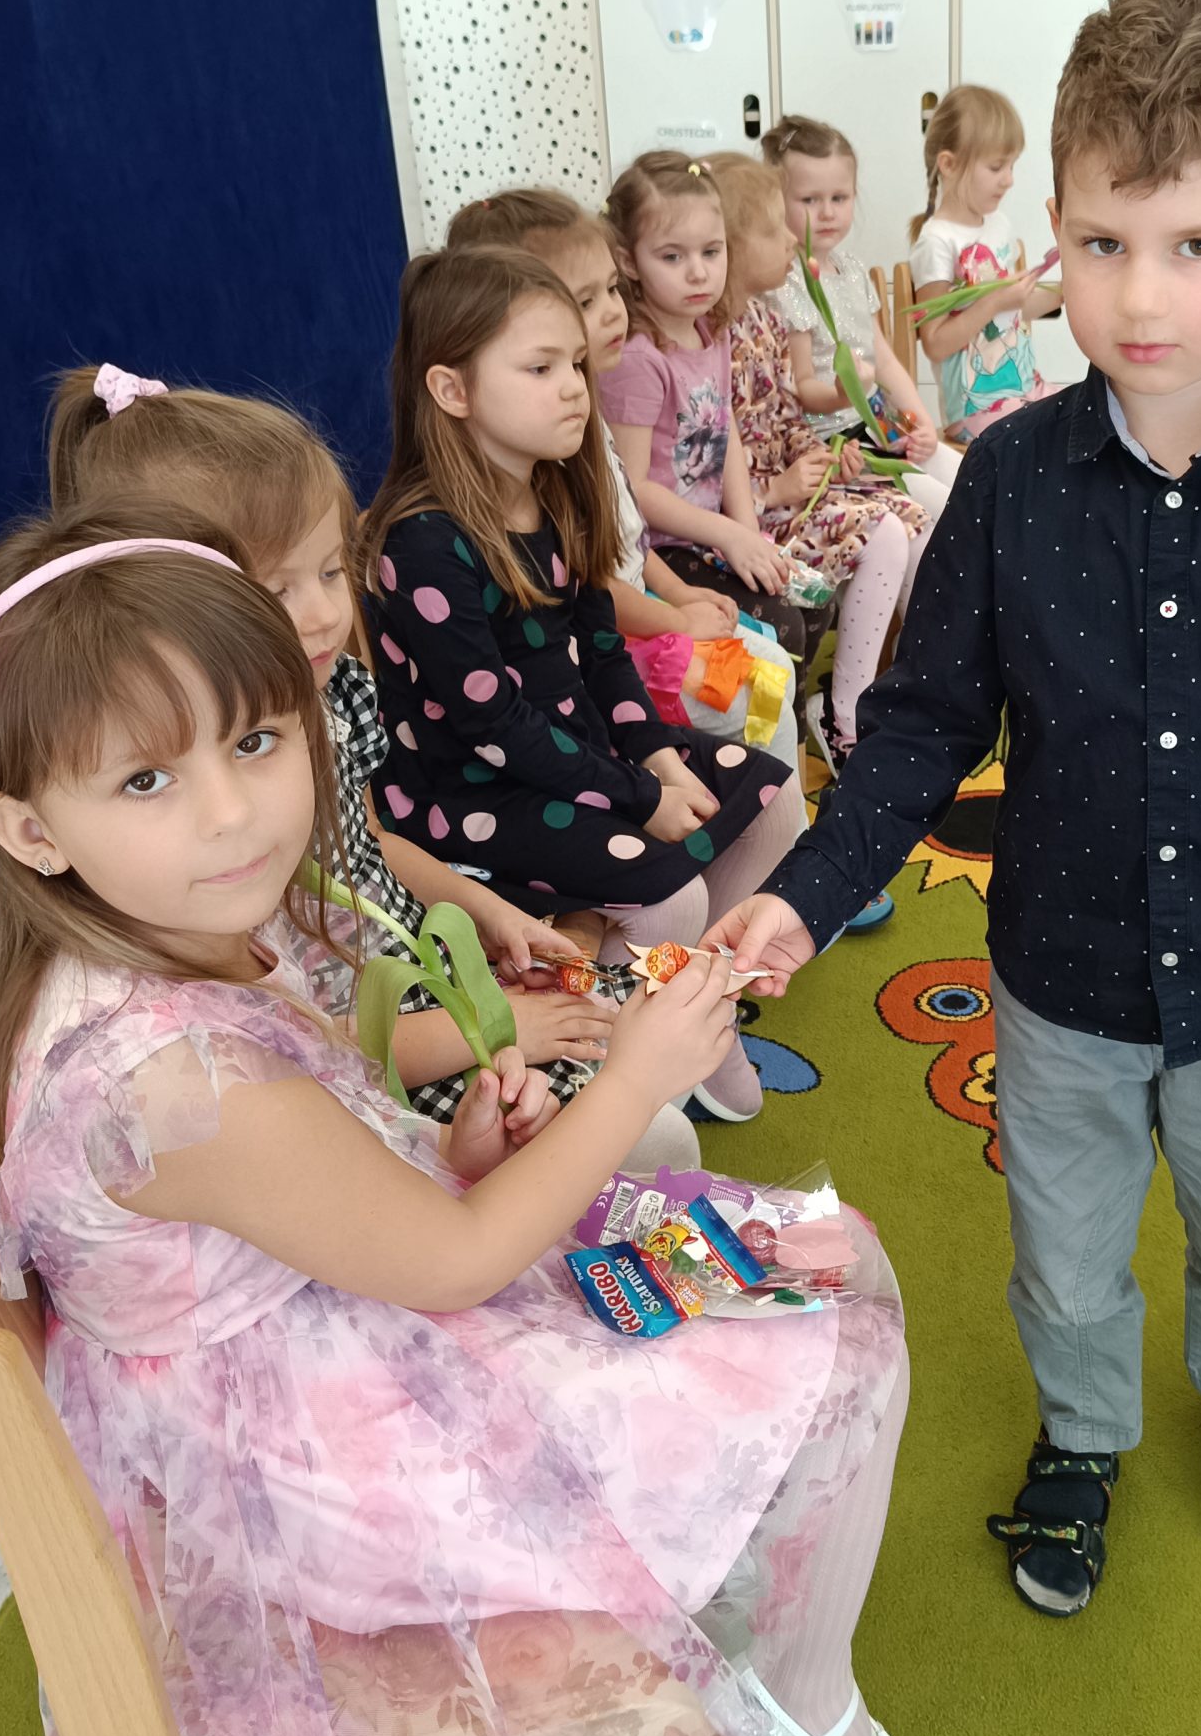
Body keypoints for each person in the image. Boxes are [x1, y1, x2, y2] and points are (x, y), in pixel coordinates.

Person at [709, 0, 1201, 1616]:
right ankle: (1081, 1433)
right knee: (1063, 1262)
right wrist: (800, 893)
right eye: (1099, 243)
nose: (1141, 296)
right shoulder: (1009, 479)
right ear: (1053, 234)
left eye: (1196, 244)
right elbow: (922, 726)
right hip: (1058, 980)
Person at [0, 501, 904, 1736]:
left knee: (820, 1269)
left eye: (256, 741)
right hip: (311, 1461)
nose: (231, 812)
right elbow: (455, 1263)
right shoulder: (172, 1080)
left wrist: (441, 1148)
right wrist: (636, 1080)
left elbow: (328, 1160)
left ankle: (790, 1685)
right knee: (840, 1331)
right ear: (30, 830)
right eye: (147, 779)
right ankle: (812, 1708)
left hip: (333, 1333)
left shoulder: (176, 935)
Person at [42, 364, 681, 1151]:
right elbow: (308, 1048)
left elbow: (370, 842)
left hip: (420, 974)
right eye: (276, 590)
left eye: (329, 570)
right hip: (369, 1068)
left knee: (641, 1047)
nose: (322, 614)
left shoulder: (334, 689)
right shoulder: (215, 844)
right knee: (646, 1126)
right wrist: (496, 1023)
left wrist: (490, 917)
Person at [366, 245, 803, 1124]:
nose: (574, 387)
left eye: (574, 364)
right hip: (472, 795)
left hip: (580, 761)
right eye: (540, 368)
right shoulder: (422, 541)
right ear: (451, 390)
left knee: (774, 803)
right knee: (670, 890)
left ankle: (699, 1004)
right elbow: (493, 724)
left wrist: (659, 761)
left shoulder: (562, 496)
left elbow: (604, 656)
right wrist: (640, 797)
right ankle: (642, 1051)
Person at [443, 187, 806, 823]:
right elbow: (596, 589)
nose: (614, 311)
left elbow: (628, 546)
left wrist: (681, 598)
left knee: (770, 651)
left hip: (638, 629)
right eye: (584, 301)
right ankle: (764, 826)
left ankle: (771, 827)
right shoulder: (549, 449)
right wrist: (675, 620)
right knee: (763, 678)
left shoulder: (583, 425)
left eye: (612, 289)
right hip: (615, 657)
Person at [704, 150, 923, 774]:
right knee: (880, 537)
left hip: (787, 495)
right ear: (732, 247)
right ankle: (834, 720)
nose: (790, 240)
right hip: (752, 516)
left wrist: (824, 456)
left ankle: (857, 708)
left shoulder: (766, 321)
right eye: (774, 228)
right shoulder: (714, 340)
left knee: (901, 522)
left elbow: (788, 419)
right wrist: (776, 489)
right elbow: (710, 464)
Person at [598, 152, 829, 677]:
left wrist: (748, 532)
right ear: (629, 262)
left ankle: (789, 719)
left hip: (708, 535)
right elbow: (633, 489)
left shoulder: (711, 329)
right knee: (783, 628)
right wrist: (728, 535)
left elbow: (726, 435)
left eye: (711, 250)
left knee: (815, 608)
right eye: (672, 256)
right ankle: (760, 726)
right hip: (659, 551)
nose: (699, 271)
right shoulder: (638, 358)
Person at [760, 113, 960, 516]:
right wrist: (844, 395)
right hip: (835, 440)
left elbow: (882, 360)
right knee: (946, 508)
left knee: (969, 477)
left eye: (839, 198)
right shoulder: (785, 282)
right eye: (809, 200)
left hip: (881, 421)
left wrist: (920, 423)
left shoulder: (851, 269)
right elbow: (803, 388)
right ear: (776, 202)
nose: (827, 213)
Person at [907, 84, 1061, 444]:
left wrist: (1066, 289)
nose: (1009, 179)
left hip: (1023, 388)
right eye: (996, 167)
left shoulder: (999, 225)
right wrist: (993, 302)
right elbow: (935, 344)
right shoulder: (936, 241)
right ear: (949, 164)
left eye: (1012, 165)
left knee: (1087, 416)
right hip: (974, 409)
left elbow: (1014, 311)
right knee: (1049, 443)